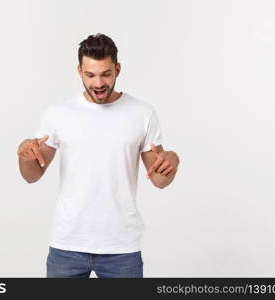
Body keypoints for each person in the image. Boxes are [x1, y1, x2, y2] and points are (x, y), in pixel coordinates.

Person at [17, 33, 180, 278]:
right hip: (67, 245)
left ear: (118, 69)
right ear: (79, 71)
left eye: (106, 74)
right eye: (90, 75)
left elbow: (158, 180)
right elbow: (32, 176)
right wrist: (25, 155)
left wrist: (172, 162)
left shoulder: (142, 113)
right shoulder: (59, 113)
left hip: (121, 248)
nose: (98, 83)